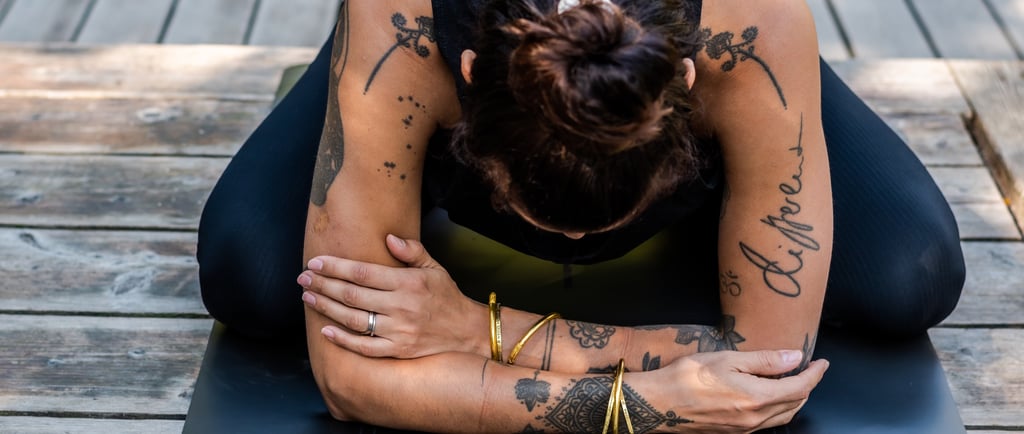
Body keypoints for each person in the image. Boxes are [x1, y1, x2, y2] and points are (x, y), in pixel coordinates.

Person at [196, 0, 966, 431]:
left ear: (687, 93)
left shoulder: (751, 27)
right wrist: (648, 402)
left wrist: (476, 331)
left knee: (911, 275)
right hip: (422, 55)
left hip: (716, 65)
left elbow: (769, 365)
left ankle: (745, 130)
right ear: (468, 82)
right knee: (253, 276)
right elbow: (351, 381)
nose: (566, 246)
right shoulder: (408, 26)